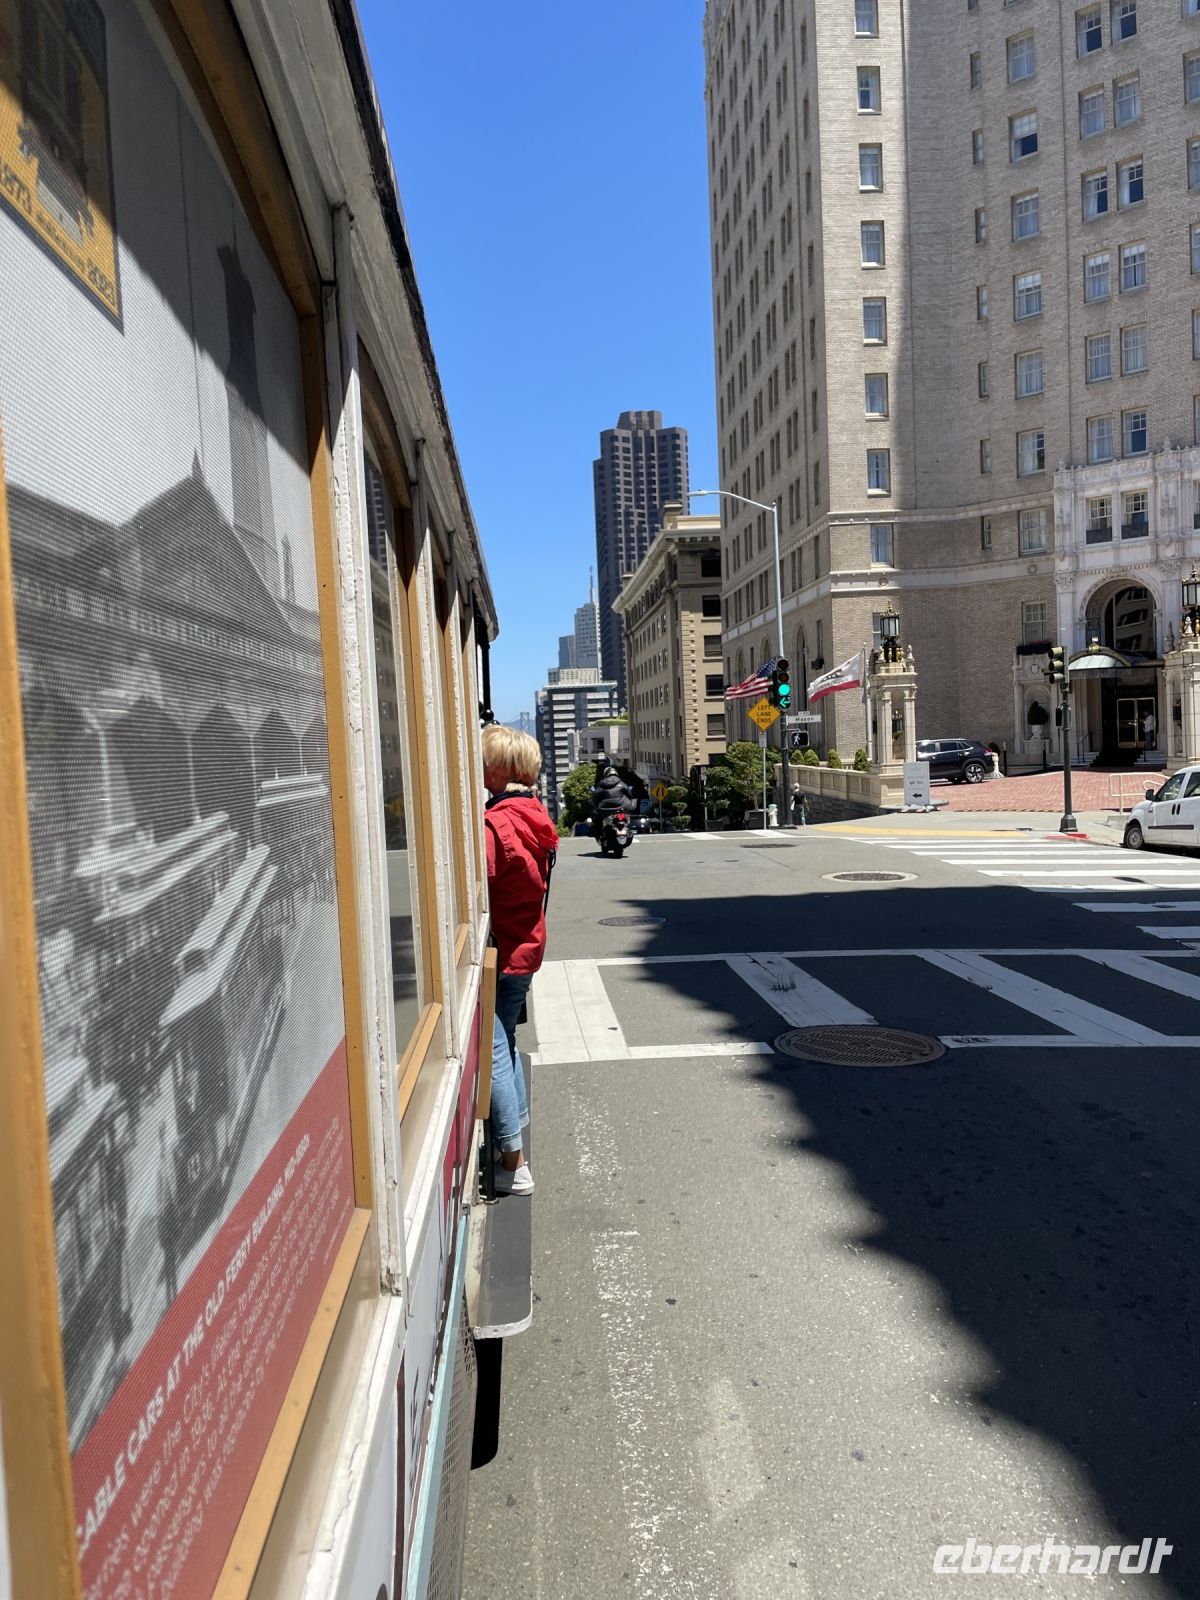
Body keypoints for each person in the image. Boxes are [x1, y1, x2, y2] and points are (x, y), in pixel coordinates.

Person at [482, 726, 559, 1196]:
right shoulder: (535, 814)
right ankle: (517, 1133)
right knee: (506, 1039)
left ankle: (515, 1163)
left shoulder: (494, 824)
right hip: (528, 946)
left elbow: (480, 885)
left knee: (494, 1048)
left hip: (502, 951)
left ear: (496, 771)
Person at [590, 760, 637, 841]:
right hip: (622, 808)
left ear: (606, 774)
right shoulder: (622, 783)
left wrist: (596, 807)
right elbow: (630, 795)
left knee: (596, 821)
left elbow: (595, 797)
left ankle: (598, 834)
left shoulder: (602, 784)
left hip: (605, 810)